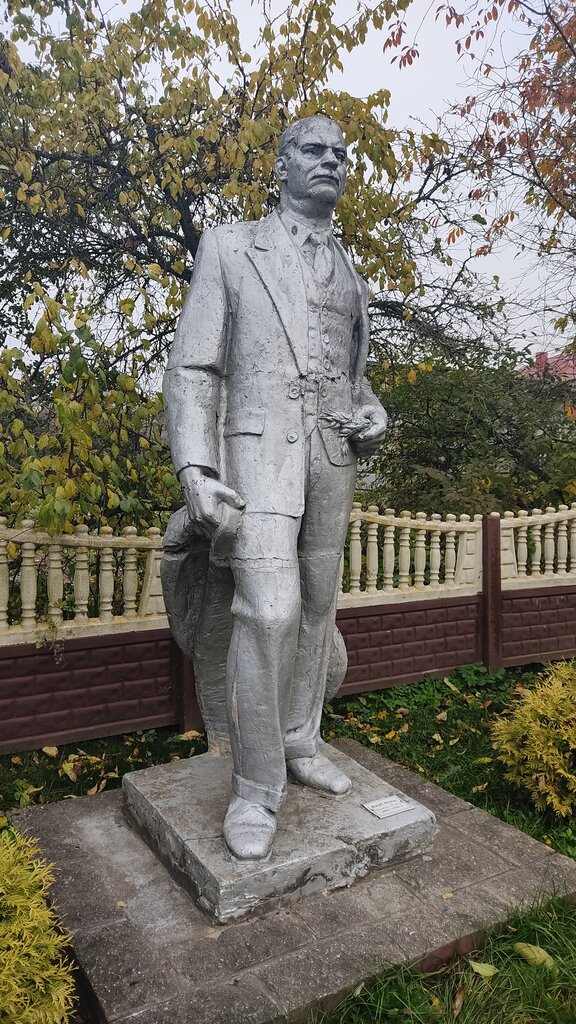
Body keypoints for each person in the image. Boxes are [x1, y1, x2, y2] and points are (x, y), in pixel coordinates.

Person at [162, 114, 388, 860]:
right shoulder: (232, 245)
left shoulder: (349, 267)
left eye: (341, 154)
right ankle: (256, 790)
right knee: (269, 610)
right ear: (283, 165)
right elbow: (196, 368)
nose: (332, 161)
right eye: (314, 150)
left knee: (319, 607)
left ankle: (300, 740)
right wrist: (195, 469)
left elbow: (354, 380)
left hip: (332, 458)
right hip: (257, 460)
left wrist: (373, 414)